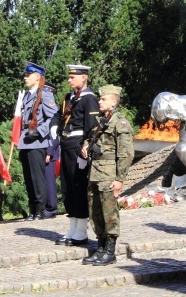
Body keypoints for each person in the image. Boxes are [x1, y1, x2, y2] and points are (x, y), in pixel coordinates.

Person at [80, 84, 134, 265]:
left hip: (109, 175)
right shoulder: (101, 122)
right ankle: (100, 247)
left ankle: (110, 251)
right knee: (95, 212)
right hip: (95, 173)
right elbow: (90, 138)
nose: (99, 101)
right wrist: (86, 146)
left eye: (103, 99)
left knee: (109, 213)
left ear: (114, 102)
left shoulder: (121, 123)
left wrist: (120, 179)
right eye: (100, 98)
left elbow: (126, 153)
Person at [51, 64, 100, 246]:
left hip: (78, 147)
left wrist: (85, 150)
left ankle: (81, 231)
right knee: (68, 188)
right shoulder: (68, 98)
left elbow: (92, 128)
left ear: (84, 78)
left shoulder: (89, 99)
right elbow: (58, 115)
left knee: (79, 188)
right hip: (66, 145)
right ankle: (72, 228)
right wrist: (54, 127)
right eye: (69, 77)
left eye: (73, 77)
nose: (69, 80)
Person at [17, 62, 58, 221]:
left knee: (37, 177)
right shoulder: (28, 95)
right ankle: (33, 209)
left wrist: (40, 132)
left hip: (37, 141)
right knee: (28, 177)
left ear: (37, 77)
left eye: (28, 75)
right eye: (25, 75)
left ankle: (40, 209)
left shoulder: (45, 94)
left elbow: (54, 118)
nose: (25, 78)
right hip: (26, 139)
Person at [44, 81, 60, 219]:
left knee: (49, 181)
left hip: (51, 151)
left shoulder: (54, 111)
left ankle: (51, 208)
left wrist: (50, 151)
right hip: (43, 149)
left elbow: (55, 135)